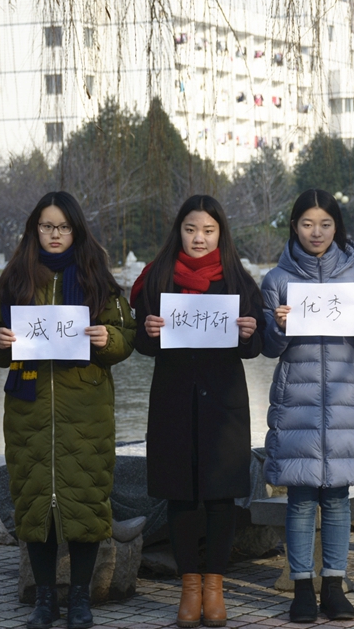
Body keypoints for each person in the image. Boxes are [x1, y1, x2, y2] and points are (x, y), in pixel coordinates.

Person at [0, 191, 136, 629]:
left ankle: (80, 599)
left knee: (86, 502)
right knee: (34, 504)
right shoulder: (15, 279)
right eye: (47, 226)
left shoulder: (96, 278)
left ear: (76, 231)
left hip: (86, 411)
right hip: (28, 410)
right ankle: (44, 599)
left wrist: (108, 339)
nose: (55, 234)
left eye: (63, 227)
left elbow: (127, 333)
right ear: (35, 229)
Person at [130, 195, 265, 628]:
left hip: (223, 403)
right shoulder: (157, 277)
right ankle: (189, 588)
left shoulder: (238, 280)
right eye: (191, 229)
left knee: (222, 496)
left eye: (208, 230)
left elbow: (255, 347)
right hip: (173, 400)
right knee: (181, 494)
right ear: (179, 231)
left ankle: (215, 587)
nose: (199, 238)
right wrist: (148, 330)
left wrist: (249, 332)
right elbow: (140, 342)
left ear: (221, 233)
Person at [260, 189, 354, 623]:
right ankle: (301, 589)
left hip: (345, 399)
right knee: (299, 498)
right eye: (308, 224)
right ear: (294, 226)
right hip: (297, 402)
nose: (317, 232)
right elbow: (268, 348)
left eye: (325, 224)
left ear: (336, 227)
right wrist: (278, 327)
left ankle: (333, 586)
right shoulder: (276, 280)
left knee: (337, 499)